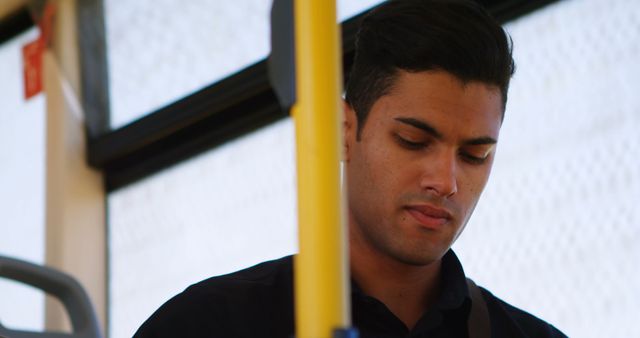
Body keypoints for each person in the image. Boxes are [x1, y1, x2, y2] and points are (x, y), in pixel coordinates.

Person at [135, 0, 567, 337]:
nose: (446, 182)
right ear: (343, 130)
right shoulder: (208, 326)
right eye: (413, 141)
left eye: (475, 155)